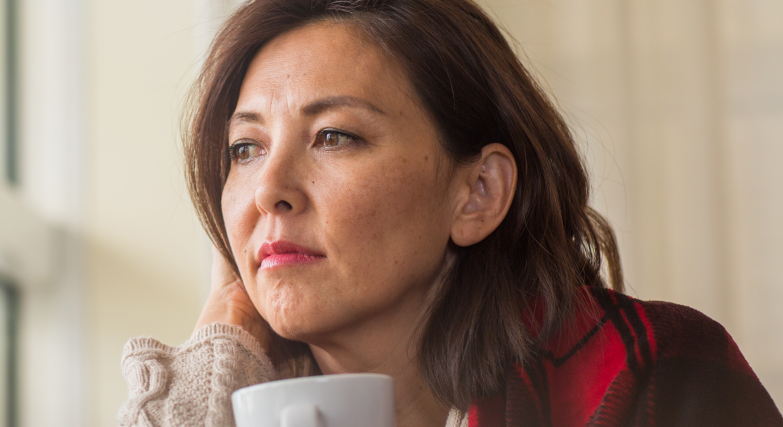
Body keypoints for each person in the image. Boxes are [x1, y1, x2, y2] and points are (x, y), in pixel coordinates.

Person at [117, 0, 783, 426]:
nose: (269, 189)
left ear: (478, 193)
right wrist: (212, 362)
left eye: (334, 136)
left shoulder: (659, 378)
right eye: (245, 147)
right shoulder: (228, 404)